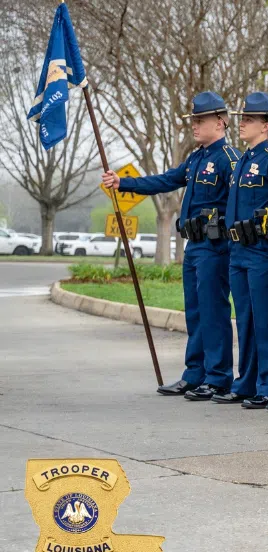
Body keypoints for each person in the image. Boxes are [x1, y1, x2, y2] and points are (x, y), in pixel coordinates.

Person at [103, 91, 239, 399]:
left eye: (199, 120)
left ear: (220, 122)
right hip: (193, 245)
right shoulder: (196, 159)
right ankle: (195, 374)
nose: (194, 125)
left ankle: (218, 377)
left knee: (213, 310)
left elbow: (239, 203)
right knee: (194, 311)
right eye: (193, 120)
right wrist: (124, 183)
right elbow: (165, 180)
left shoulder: (229, 160)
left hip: (215, 246)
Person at [221, 92, 268, 408]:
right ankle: (246, 381)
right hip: (240, 251)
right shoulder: (242, 162)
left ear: (266, 124)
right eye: (241, 119)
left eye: (248, 119)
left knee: (266, 321)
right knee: (246, 320)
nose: (242, 124)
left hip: (266, 251)